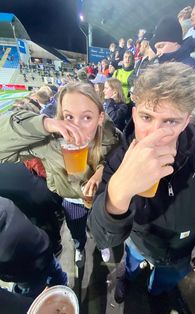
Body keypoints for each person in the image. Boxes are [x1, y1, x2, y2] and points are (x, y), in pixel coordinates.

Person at [88, 62, 195, 304]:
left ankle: (156, 294)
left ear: (186, 121)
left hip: (179, 251)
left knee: (161, 289)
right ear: (135, 114)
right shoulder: (118, 157)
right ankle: (127, 280)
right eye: (147, 117)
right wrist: (118, 193)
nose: (155, 133)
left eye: (170, 122)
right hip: (137, 241)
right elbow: (101, 236)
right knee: (131, 266)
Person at [0, 82, 121, 267]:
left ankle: (101, 246)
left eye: (87, 117)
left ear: (100, 118)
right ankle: (80, 248)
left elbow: (122, 163)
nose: (76, 127)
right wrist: (45, 124)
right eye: (69, 116)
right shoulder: (48, 142)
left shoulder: (114, 137)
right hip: (71, 199)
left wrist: (102, 171)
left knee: (101, 231)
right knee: (76, 230)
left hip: (101, 198)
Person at [0, 196, 67, 314]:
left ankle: (61, 292)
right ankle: (63, 289)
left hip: (26, 276)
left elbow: (11, 304)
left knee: (36, 297)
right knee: (56, 273)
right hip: (42, 246)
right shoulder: (3, 202)